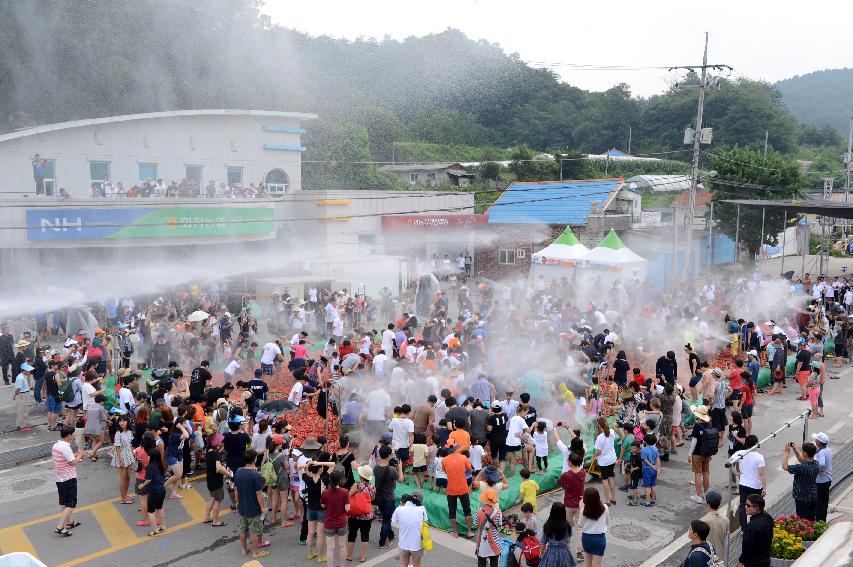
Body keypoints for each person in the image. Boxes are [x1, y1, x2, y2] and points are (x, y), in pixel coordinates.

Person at [235, 448, 271, 559]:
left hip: (242, 507)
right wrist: (263, 508)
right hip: (254, 508)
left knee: (242, 529)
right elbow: (259, 493)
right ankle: (255, 552)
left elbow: (236, 488)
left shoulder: (239, 471)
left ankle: (244, 549)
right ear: (254, 459)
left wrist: (237, 501)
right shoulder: (255, 475)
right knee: (255, 531)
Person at [52, 426, 86, 536]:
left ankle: (70, 522)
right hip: (68, 478)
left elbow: (66, 458)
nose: (74, 436)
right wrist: (80, 455)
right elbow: (72, 462)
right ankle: (60, 527)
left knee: (64, 502)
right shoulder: (66, 447)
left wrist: (76, 454)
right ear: (68, 436)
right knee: (71, 503)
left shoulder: (56, 445)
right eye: (73, 434)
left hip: (59, 478)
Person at [374, 445, 404, 548]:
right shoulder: (391, 470)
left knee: (386, 518)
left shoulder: (376, 467)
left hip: (379, 497)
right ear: (388, 456)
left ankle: (391, 535)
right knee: (386, 521)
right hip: (389, 498)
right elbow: (401, 479)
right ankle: (382, 542)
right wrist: (400, 468)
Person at [442, 445, 474, 537]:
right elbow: (470, 470)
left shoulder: (444, 460)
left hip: (451, 489)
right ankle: (469, 531)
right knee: (467, 510)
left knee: (452, 511)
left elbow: (445, 471)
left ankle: (455, 532)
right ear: (456, 448)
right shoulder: (464, 458)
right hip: (463, 488)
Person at [735, 435, 766, 530]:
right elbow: (761, 474)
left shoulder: (740, 453)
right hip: (756, 486)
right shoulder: (759, 457)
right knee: (757, 506)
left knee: (742, 506)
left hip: (743, 484)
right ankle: (755, 525)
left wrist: (736, 472)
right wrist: (764, 488)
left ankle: (743, 529)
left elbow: (728, 462)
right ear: (756, 444)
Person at [782, 441, 819, 520]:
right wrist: (795, 450)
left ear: (805, 453)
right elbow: (803, 461)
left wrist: (786, 452)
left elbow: (785, 466)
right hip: (812, 495)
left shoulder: (801, 468)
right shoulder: (816, 463)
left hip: (802, 498)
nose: (802, 452)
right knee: (811, 518)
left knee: (803, 520)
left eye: (803, 451)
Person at [689, 405, 718, 504]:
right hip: (707, 453)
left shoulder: (697, 426)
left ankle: (698, 495)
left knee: (698, 474)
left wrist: (690, 454)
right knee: (706, 473)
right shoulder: (709, 424)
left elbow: (694, 442)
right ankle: (706, 494)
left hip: (697, 453)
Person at [321, 469, 350, 567]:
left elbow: (323, 506)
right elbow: (347, 509)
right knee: (342, 546)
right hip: (341, 522)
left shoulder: (325, 493)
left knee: (330, 548)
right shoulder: (345, 492)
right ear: (341, 480)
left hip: (329, 523)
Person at [346, 465, 376, 563]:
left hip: (354, 515)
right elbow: (372, 499)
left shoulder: (356, 485)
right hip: (367, 515)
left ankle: (349, 555)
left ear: (361, 476)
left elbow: (348, 495)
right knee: (365, 536)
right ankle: (363, 557)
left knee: (352, 535)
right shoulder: (372, 486)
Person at [391, 491, 428, 567]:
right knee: (416, 565)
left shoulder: (399, 509)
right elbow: (424, 520)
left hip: (403, 544)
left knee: (404, 565)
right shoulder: (422, 509)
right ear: (420, 501)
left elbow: (394, 521)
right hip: (417, 545)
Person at [203, 433, 232, 527]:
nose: (221, 443)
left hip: (210, 480)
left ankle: (207, 517)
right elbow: (219, 468)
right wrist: (228, 474)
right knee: (218, 500)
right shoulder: (215, 454)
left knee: (213, 498)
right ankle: (215, 521)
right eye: (220, 442)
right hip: (216, 482)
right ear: (217, 443)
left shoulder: (209, 451)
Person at [737, 494, 773, 567]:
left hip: (753, 563)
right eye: (745, 504)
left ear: (757, 508)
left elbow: (747, 546)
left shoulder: (752, 526)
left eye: (748, 505)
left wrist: (741, 561)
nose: (745, 506)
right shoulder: (768, 518)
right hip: (765, 560)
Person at [539, 502, 575, 567]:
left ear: (552, 512)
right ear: (563, 513)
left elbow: (543, 541)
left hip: (551, 553)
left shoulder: (547, 525)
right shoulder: (567, 525)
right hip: (564, 553)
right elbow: (568, 539)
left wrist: (541, 552)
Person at [472, 488, 502, 567]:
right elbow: (499, 524)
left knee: (481, 562)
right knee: (494, 562)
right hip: (494, 541)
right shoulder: (498, 512)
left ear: (484, 499)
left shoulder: (478, 512)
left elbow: (476, 524)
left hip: (482, 542)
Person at [580, 487, 609, 567]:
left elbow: (580, 524)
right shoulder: (605, 508)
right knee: (597, 564)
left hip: (587, 538)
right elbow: (607, 522)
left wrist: (581, 508)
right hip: (600, 538)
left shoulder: (584, 510)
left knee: (588, 562)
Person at [592, 416, 618, 505]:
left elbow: (598, 452)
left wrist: (593, 456)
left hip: (604, 461)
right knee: (611, 477)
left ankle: (607, 500)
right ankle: (613, 498)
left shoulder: (600, 438)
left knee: (605, 479)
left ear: (599, 426)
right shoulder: (612, 432)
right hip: (612, 458)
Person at [111, 415, 136, 504]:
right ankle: (123, 498)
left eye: (123, 421)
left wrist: (133, 453)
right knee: (123, 478)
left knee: (128, 477)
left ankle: (125, 495)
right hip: (121, 456)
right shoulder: (118, 433)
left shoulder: (129, 431)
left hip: (129, 455)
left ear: (127, 422)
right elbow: (117, 447)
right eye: (120, 421)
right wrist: (121, 460)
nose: (121, 423)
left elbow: (130, 444)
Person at [699, 490, 728, 561]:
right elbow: (726, 542)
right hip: (720, 559)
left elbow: (699, 544)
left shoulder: (703, 521)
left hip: (706, 559)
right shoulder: (725, 520)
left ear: (707, 502)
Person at [811, 432, 832, 522]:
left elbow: (822, 463)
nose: (815, 440)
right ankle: (822, 519)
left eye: (816, 439)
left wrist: (819, 469)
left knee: (820, 503)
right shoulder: (827, 450)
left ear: (818, 442)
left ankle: (820, 521)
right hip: (827, 479)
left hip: (821, 482)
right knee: (824, 501)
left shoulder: (821, 452)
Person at [640, 433, 660, 507]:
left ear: (645, 441)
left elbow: (644, 460)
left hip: (647, 469)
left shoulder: (644, 450)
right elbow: (658, 459)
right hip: (654, 469)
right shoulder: (656, 449)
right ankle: (652, 500)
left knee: (647, 486)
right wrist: (657, 468)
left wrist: (651, 465)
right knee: (653, 484)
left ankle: (647, 502)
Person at [12, 362, 34, 431]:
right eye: (28, 370)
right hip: (23, 395)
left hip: (24, 394)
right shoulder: (20, 378)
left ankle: (20, 424)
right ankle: (22, 426)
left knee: (21, 410)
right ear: (24, 370)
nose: (29, 371)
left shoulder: (22, 376)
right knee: (23, 411)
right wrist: (14, 396)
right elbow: (18, 389)